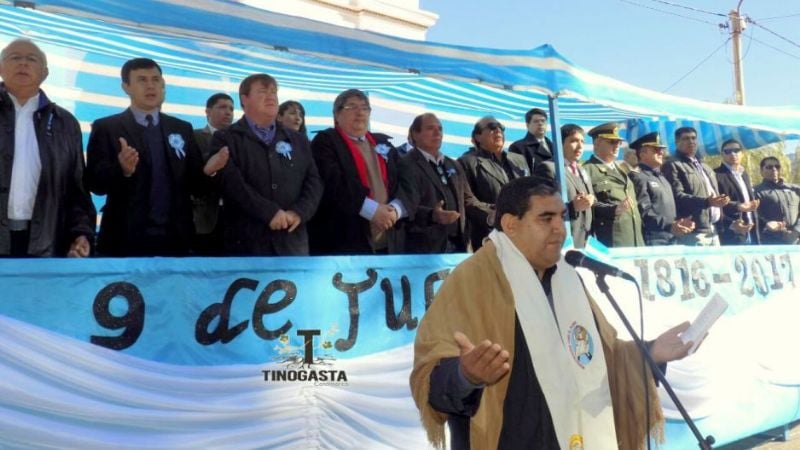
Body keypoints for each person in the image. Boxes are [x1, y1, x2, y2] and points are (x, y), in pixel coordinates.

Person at [410, 176, 695, 450]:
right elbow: (429, 379)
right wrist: (464, 375)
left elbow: (604, 356)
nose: (560, 228)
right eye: (546, 218)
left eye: (562, 217)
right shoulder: (472, 280)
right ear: (510, 224)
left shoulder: (569, 278)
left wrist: (651, 352)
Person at [85, 58, 223, 256]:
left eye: (156, 80)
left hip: (176, 239)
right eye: (142, 80)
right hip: (126, 239)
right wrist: (121, 169)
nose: (150, 85)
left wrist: (210, 170)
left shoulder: (181, 128)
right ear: (126, 87)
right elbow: (95, 184)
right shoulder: (107, 127)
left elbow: (196, 186)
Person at [0, 38, 95, 257]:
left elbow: (76, 188)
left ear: (45, 73)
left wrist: (80, 233)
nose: (23, 63)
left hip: (44, 242)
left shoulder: (65, 123)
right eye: (15, 58)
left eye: (31, 59)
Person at [308, 88, 409, 255]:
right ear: (336, 115)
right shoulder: (326, 142)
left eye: (364, 108)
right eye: (352, 107)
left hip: (389, 239)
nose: (360, 112)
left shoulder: (382, 143)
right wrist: (372, 210)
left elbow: (405, 181)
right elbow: (333, 183)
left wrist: (395, 210)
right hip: (345, 241)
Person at [398, 113, 491, 253]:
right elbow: (406, 206)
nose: (437, 132)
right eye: (430, 128)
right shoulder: (406, 164)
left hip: (459, 246)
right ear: (415, 134)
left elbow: (468, 199)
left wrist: (491, 213)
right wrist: (432, 215)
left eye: (440, 129)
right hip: (425, 249)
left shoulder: (453, 164)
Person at [459, 116, 529, 250]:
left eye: (501, 128)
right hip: (489, 235)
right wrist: (492, 214)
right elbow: (467, 200)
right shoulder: (468, 162)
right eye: (492, 127)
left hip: (522, 233)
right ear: (478, 137)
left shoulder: (518, 160)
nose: (498, 131)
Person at [662, 126, 729, 246]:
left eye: (693, 138)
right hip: (693, 230)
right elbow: (677, 196)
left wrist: (724, 201)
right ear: (677, 142)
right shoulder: (672, 165)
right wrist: (707, 202)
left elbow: (712, 192)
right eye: (686, 139)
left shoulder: (703, 165)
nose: (691, 141)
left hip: (713, 229)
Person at [582, 122, 643, 247]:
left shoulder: (621, 169)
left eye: (618, 143)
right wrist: (613, 210)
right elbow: (587, 205)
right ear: (597, 143)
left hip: (635, 239)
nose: (616, 146)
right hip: (612, 240)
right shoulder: (588, 170)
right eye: (611, 142)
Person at [628, 132, 695, 245]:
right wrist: (670, 225)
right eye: (656, 149)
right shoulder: (638, 176)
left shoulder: (661, 176)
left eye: (661, 149)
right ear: (642, 153)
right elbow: (644, 211)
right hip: (653, 237)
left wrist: (679, 222)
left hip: (671, 236)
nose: (661, 152)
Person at [192, 92, 233, 255]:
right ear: (207, 111)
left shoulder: (241, 140)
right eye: (222, 107)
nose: (228, 112)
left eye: (231, 108)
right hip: (203, 217)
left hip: (234, 218)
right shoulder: (193, 137)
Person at [714, 138, 760, 245]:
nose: (733, 154)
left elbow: (749, 204)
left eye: (736, 150)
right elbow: (714, 204)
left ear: (742, 153)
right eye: (728, 151)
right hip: (731, 233)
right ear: (722, 154)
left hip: (752, 232)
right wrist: (731, 224)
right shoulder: (716, 175)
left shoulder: (744, 175)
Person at [559, 124, 595, 248]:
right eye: (574, 141)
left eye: (582, 142)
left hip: (587, 241)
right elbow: (544, 207)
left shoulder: (582, 170)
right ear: (560, 142)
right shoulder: (549, 168)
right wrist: (572, 207)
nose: (580, 146)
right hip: (566, 242)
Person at [753, 156, 800, 245]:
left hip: (796, 239)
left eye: (777, 166)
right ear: (761, 171)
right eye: (769, 167)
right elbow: (754, 215)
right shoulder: (755, 191)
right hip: (771, 240)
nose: (774, 169)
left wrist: (797, 231)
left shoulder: (795, 189)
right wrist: (768, 224)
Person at [509, 107, 554, 176]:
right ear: (527, 125)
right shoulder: (518, 147)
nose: (540, 124)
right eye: (536, 121)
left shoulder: (555, 146)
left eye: (543, 121)